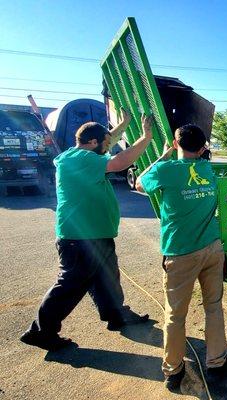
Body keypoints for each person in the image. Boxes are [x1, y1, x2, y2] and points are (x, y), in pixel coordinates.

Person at [20, 111, 152, 351]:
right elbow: (120, 162)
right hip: (81, 238)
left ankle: (116, 315)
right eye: (105, 143)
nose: (108, 146)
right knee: (70, 285)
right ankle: (41, 332)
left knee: (107, 278)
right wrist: (146, 137)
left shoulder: (76, 154)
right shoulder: (84, 159)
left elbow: (105, 139)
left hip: (94, 234)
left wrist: (122, 124)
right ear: (92, 143)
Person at [136, 124, 227, 392]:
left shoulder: (164, 170)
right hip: (212, 248)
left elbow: (139, 183)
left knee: (175, 314)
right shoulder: (208, 170)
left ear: (175, 143)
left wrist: (164, 155)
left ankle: (173, 370)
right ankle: (216, 362)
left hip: (180, 254)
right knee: (213, 306)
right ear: (203, 148)